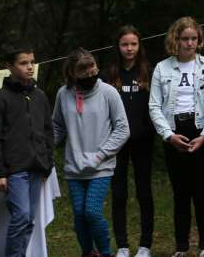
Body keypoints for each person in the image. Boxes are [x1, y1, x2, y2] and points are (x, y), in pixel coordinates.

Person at [149, 17, 204, 257]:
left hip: (200, 132)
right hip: (174, 131)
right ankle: (181, 248)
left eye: (193, 39)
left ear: (199, 41)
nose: (189, 43)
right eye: (185, 39)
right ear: (175, 40)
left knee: (201, 191)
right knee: (180, 192)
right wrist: (168, 135)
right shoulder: (162, 68)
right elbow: (154, 106)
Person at [53, 48, 130, 257]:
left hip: (101, 165)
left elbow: (123, 129)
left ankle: (105, 253)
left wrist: (100, 154)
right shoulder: (63, 94)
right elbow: (57, 126)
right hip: (74, 166)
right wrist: (42, 147)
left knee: (92, 212)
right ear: (72, 74)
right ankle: (88, 252)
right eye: (84, 73)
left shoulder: (108, 92)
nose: (90, 76)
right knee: (79, 215)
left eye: (93, 71)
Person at [0, 45, 53, 257]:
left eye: (32, 62)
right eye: (23, 63)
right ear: (10, 67)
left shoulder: (40, 96)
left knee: (29, 221)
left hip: (37, 167)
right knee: (22, 216)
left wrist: (47, 163)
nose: (30, 67)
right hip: (14, 169)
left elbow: (47, 131)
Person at [105, 26, 154, 257]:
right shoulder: (110, 73)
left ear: (139, 45)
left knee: (144, 192)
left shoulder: (147, 71)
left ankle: (145, 245)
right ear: (118, 46)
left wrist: (146, 130)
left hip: (143, 141)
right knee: (119, 193)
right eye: (125, 44)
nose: (129, 49)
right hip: (117, 143)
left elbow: (154, 106)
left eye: (133, 44)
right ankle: (123, 246)